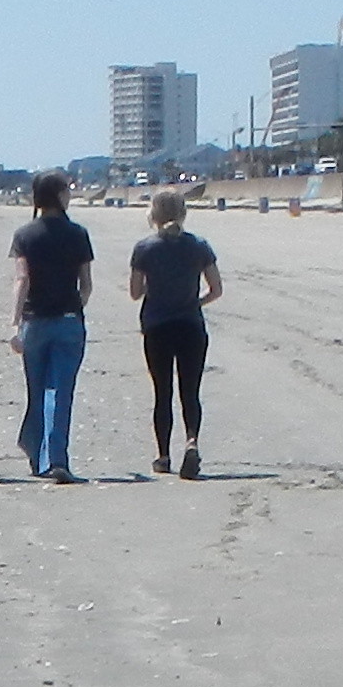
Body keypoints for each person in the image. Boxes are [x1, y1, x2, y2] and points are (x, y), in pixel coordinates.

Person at [128, 187, 223, 478]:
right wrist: (195, 301)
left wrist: (154, 285)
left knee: (162, 391)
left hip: (157, 325)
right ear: (183, 212)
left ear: (153, 214)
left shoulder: (145, 248)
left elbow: (134, 292)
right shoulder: (199, 246)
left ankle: (163, 455)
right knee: (190, 390)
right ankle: (191, 441)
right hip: (191, 324)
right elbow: (216, 290)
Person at [7, 172, 94, 483]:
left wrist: (15, 322)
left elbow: (22, 280)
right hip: (69, 321)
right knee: (60, 391)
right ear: (58, 195)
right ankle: (55, 457)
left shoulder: (25, 235)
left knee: (38, 389)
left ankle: (37, 452)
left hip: (34, 321)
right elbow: (86, 286)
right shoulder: (78, 234)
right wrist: (74, 309)